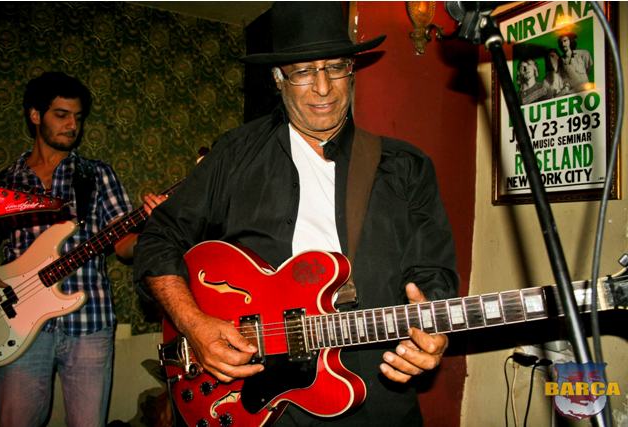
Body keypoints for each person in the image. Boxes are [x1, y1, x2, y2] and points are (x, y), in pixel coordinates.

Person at [134, 2, 458, 426]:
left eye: (335, 68)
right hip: (255, 392)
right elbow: (158, 238)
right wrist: (193, 324)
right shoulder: (235, 154)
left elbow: (433, 273)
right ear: (277, 78)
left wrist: (433, 330)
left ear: (352, 70)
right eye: (303, 72)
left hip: (376, 392)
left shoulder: (405, 167)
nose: (323, 88)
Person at [0, 71, 165, 426]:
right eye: (61, 115)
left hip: (90, 322)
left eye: (78, 118)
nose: (73, 125)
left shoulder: (97, 175)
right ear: (35, 115)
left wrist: (154, 228)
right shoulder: (4, 183)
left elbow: (123, 245)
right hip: (16, 321)